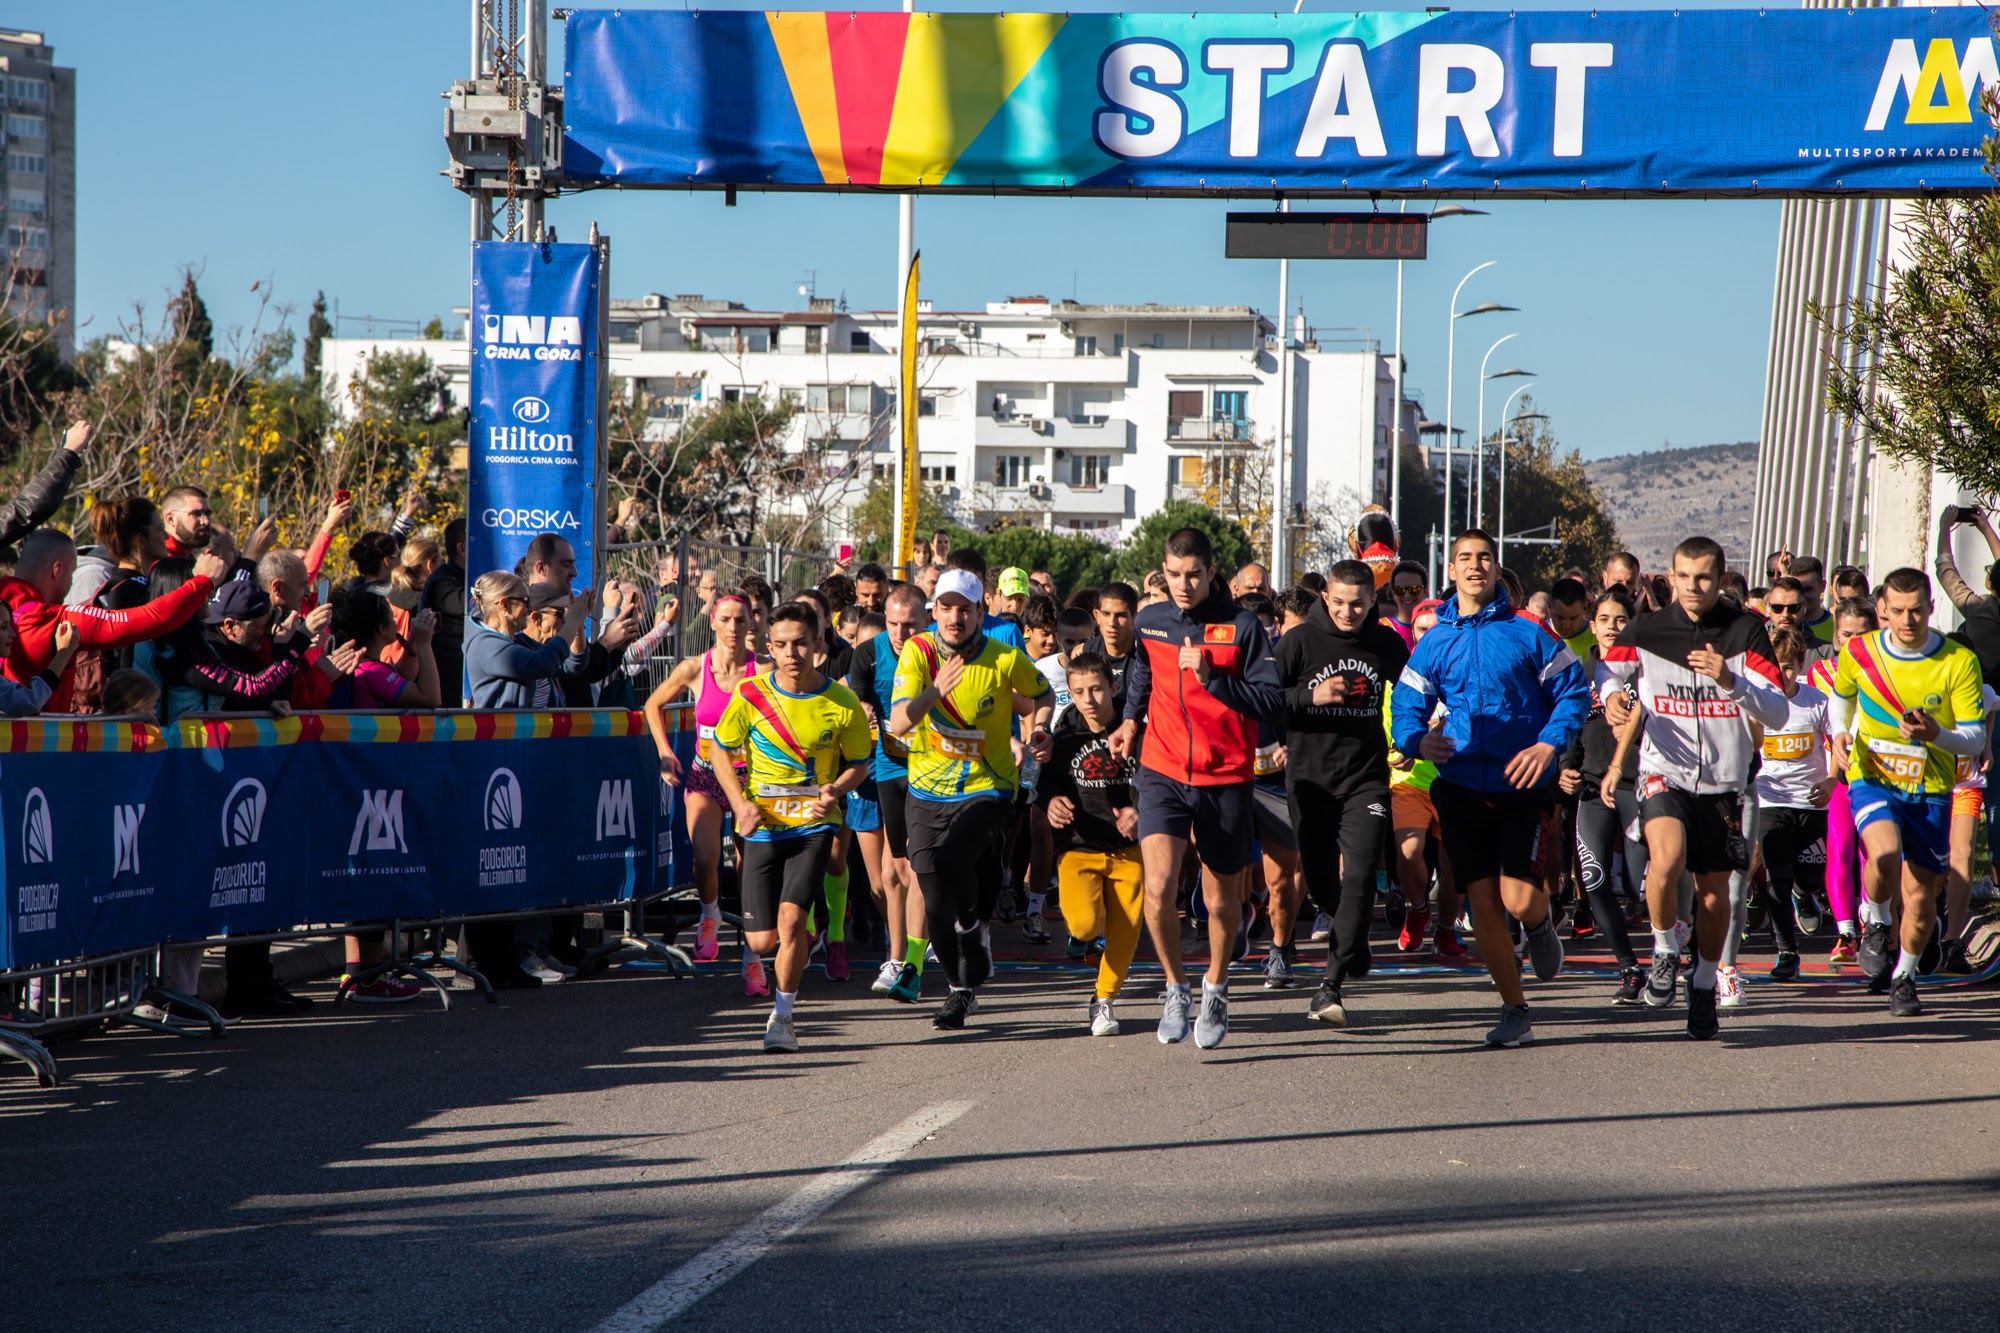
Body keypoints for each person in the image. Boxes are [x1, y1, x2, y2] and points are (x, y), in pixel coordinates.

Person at [1391, 529, 1591, 1049]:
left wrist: (1549, 745)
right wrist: (1416, 741)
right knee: (1481, 902)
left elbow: (1573, 691)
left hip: (1521, 786)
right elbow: (1406, 705)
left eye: (1484, 558)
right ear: (1451, 571)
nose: (1475, 566)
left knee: (1519, 899)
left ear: (1497, 569)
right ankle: (1514, 1008)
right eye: (1465, 559)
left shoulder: (1529, 632)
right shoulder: (1435, 639)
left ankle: (1541, 924)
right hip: (1459, 788)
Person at [1599, 535, 1790, 1039]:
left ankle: (1703, 982)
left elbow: (1777, 710)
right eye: (1682, 576)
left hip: (1726, 781)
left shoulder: (1746, 629)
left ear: (1720, 577)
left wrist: (1732, 681)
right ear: (1672, 574)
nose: (1691, 587)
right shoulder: (1649, 627)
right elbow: (1609, 667)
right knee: (1666, 858)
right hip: (1666, 768)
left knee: (1715, 896)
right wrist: (1613, 695)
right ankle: (1665, 947)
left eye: (1703, 577)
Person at [1106, 527, 1281, 1050]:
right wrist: (1131, 720)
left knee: (1219, 901)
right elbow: (1142, 670)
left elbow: (1271, 702)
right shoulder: (1151, 622)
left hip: (1225, 775)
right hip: (1161, 770)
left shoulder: (1243, 625)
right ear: (1163, 572)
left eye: (1194, 575)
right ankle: (1175, 988)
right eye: (1174, 575)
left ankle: (1217, 986)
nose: (1184, 586)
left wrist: (1213, 680)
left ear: (1210, 572)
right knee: (1157, 887)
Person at [889, 568, 1053, 1031]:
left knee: (952, 863)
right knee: (933, 895)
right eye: (946, 607)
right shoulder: (918, 654)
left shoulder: (1004, 657)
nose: (955, 617)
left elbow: (1042, 694)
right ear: (934, 611)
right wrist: (935, 691)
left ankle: (961, 987)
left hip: (990, 785)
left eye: (965, 608)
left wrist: (1039, 730)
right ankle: (966, 953)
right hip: (925, 789)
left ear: (982, 610)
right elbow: (900, 722)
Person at [709, 603, 873, 1052]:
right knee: (761, 941)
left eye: (800, 643)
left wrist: (835, 791)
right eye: (780, 645)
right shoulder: (750, 694)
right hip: (762, 826)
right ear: (768, 647)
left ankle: (782, 1017)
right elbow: (720, 751)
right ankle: (801, 940)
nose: (791, 653)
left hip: (813, 827)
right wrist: (740, 803)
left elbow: (860, 762)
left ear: (818, 643)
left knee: (791, 920)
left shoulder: (840, 701)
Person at [1826, 569, 1986, 1017]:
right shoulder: (1860, 651)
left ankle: (1905, 975)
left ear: (1931, 607)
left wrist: (1937, 733)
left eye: (1916, 610)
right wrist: (1840, 731)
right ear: (1882, 610)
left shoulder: (1957, 661)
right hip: (1871, 775)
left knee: (1919, 899)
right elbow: (1841, 696)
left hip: (1932, 787)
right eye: (1897, 611)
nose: (1907, 620)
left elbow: (1973, 739)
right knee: (1881, 854)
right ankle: (1874, 920)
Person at [1277, 560, 1409, 1026]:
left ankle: (1329, 987)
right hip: (1309, 781)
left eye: (1358, 604)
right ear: (1325, 599)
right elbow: (1268, 702)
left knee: (1358, 876)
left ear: (1373, 601)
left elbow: (1413, 692)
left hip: (1365, 778)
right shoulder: (1297, 642)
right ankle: (1352, 938)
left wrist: (1408, 740)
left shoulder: (1385, 642)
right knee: (1321, 884)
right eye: (1339, 603)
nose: (1348, 612)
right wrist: (1309, 698)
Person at [646, 594, 758, 985]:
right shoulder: (695, 668)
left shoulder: (763, 670)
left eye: (740, 620)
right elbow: (652, 704)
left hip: (752, 780)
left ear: (750, 625)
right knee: (705, 857)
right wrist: (664, 752)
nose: (732, 628)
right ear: (712, 621)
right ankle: (710, 916)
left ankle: (752, 950)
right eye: (725, 619)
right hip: (706, 775)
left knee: (751, 872)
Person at [1, 528, 224, 709]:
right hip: (37, 754)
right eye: (71, 574)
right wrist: (202, 581)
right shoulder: (51, 620)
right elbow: (151, 619)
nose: (70, 583)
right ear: (57, 570)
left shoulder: (8, 606)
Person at [1039, 651, 1142, 1035]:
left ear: (1114, 688)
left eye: (1097, 689)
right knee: (1083, 927)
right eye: (1079, 691)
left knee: (1127, 928)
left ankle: (1103, 1001)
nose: (1089, 699)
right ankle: (1092, 942)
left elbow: (1156, 779)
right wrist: (1049, 801)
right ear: (1069, 694)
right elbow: (1042, 783)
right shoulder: (1062, 738)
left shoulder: (1137, 731)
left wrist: (1139, 809)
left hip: (1128, 850)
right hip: (1078, 848)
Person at [1560, 587, 1649, 1004]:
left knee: (1638, 887)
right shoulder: (1579, 674)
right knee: (1594, 879)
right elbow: (1570, 732)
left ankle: (1682, 952)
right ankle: (1630, 968)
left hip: (1641, 788)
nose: (1613, 628)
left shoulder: (1649, 671)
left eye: (1621, 620)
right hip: (1595, 790)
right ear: (1591, 625)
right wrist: (1565, 768)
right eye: (1605, 620)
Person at [846, 584, 929, 1000]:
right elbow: (858, 705)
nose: (900, 633)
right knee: (891, 873)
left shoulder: (939, 650)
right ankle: (898, 956)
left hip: (934, 769)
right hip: (888, 767)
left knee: (917, 868)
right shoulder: (868, 653)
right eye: (894, 624)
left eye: (910, 625)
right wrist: (864, 715)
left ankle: (915, 953)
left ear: (926, 620)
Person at [1747, 624, 1834, 995]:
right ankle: (1787, 953)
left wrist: (1832, 781)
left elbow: (1839, 742)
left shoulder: (1816, 701)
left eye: (1787, 666)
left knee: (1809, 880)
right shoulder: (1756, 702)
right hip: (1771, 801)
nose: (1779, 675)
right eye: (1772, 666)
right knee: (1777, 880)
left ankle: (1806, 893)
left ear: (1800, 664)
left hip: (1812, 803)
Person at [1810, 597, 1879, 964]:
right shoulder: (1820, 672)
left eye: (1862, 634)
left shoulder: (1889, 671)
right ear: (1835, 636)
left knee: (1875, 854)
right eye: (1846, 634)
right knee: (1839, 850)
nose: (1853, 642)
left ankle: (1873, 924)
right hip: (1837, 774)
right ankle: (1845, 933)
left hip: (1880, 776)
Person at [1936, 505, 2000, 686]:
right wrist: (1987, 529)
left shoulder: (1980, 610)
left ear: (1991, 584)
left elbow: (1946, 570)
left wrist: (1944, 528)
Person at [423, 518, 468, 707]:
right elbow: (470, 604)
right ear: (462, 549)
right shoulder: (442, 582)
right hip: (448, 686)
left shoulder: (459, 577)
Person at [1763, 575, 1836, 670]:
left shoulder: (1826, 652)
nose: (1785, 614)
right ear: (1768, 606)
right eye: (1777, 608)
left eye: (1793, 608)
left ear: (1804, 606)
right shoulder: (1753, 648)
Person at [1379, 561, 1428, 649]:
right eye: (1400, 590)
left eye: (1414, 589)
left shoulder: (1435, 626)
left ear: (1425, 591)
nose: (1407, 595)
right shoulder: (1380, 626)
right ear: (1393, 593)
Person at [1788, 555, 1835, 644]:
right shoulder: (1781, 626)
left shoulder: (1837, 628)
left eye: (1808, 589)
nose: (1802, 596)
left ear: (1823, 586)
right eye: (1797, 589)